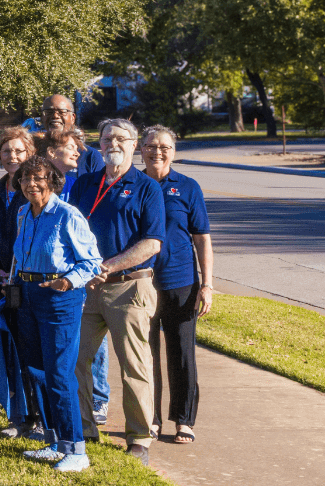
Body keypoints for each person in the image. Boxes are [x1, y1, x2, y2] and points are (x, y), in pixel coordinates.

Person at [67, 118, 165, 465]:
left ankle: (139, 437)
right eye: (107, 138)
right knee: (75, 359)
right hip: (86, 289)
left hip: (129, 288)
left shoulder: (146, 187)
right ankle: (83, 429)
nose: (113, 143)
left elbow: (152, 242)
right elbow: (70, 229)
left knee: (134, 365)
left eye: (121, 138)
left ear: (134, 145)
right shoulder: (85, 184)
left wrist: (107, 266)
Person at [10, 156, 102, 472]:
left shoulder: (67, 215)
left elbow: (91, 262)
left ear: (52, 181)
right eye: (25, 178)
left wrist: (67, 281)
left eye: (38, 178)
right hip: (27, 294)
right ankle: (55, 442)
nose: (30, 184)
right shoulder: (23, 213)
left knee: (59, 373)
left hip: (60, 298)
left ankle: (77, 449)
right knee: (36, 370)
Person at [139, 125, 212, 445]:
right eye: (151, 146)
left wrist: (207, 284)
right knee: (145, 355)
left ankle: (184, 420)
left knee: (182, 354)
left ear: (174, 151)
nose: (157, 152)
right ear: (141, 149)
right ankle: (151, 418)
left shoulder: (187, 187)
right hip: (140, 283)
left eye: (164, 147)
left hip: (181, 282)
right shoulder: (132, 183)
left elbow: (202, 238)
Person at [0, 127, 45, 439]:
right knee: (9, 350)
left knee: (32, 351)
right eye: (6, 151)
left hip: (29, 281)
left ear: (30, 153)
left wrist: (19, 271)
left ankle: (39, 418)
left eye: (19, 151)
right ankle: (17, 417)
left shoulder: (36, 189)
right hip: (1, 280)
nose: (12, 156)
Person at [42, 94, 104, 174]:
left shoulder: (90, 156)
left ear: (73, 118)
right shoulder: (32, 152)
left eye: (62, 112)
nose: (55, 116)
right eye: (49, 112)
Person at [37, 128, 88, 196]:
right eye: (70, 148)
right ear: (52, 152)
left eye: (76, 149)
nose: (77, 154)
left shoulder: (77, 186)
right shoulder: (32, 183)